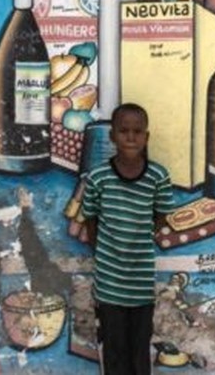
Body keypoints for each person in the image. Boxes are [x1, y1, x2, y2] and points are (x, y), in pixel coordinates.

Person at [80, 103, 174, 375]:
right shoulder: (99, 177)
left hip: (141, 282)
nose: (131, 137)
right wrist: (104, 253)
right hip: (109, 283)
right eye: (123, 131)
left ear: (146, 136)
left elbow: (161, 215)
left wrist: (140, 241)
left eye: (137, 131)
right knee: (114, 351)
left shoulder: (157, 176)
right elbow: (91, 218)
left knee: (139, 349)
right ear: (112, 136)